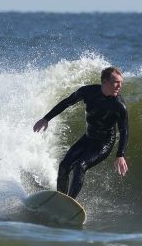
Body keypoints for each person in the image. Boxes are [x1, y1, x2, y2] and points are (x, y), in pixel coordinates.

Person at [33, 67, 129, 199]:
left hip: (104, 143)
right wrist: (46, 119)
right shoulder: (88, 92)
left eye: (121, 83)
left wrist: (120, 155)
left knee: (80, 165)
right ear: (105, 82)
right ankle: (60, 199)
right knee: (64, 166)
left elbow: (124, 130)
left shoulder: (119, 105)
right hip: (88, 138)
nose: (119, 86)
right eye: (116, 82)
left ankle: (70, 201)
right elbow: (67, 102)